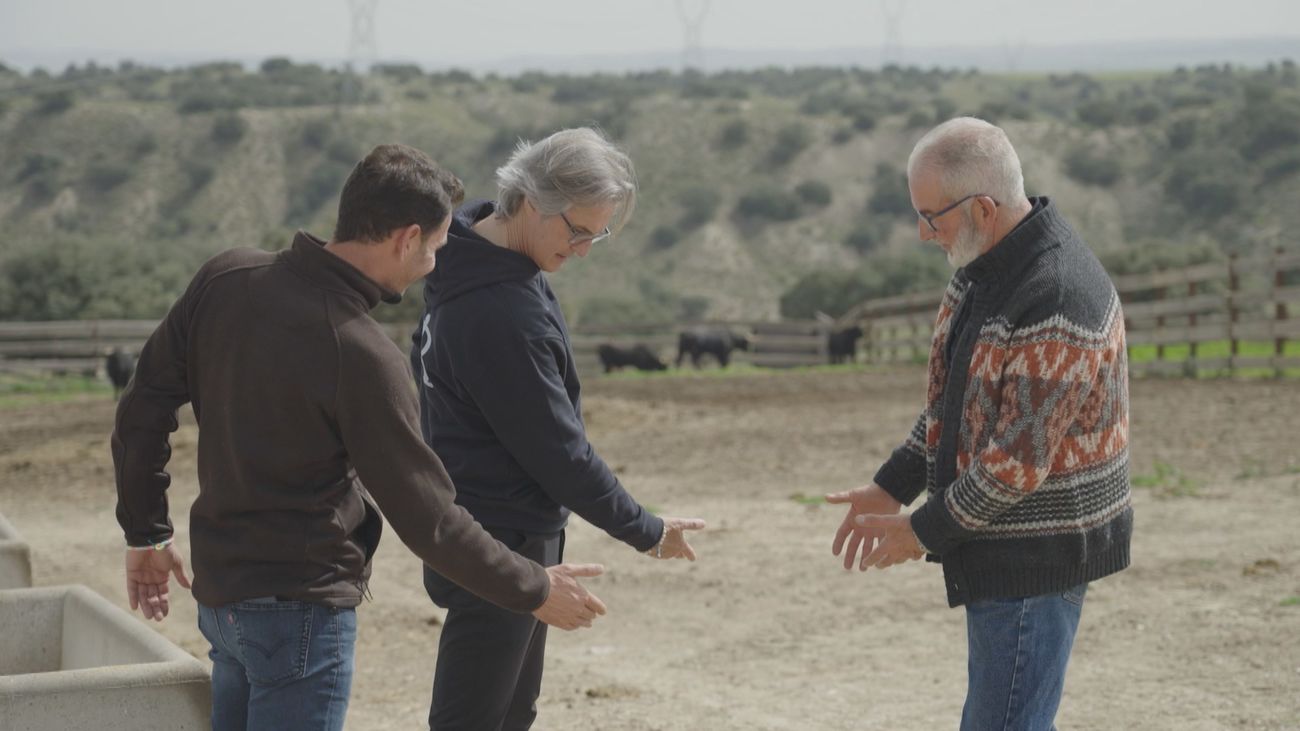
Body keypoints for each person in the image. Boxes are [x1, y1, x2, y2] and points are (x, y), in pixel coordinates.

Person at [112, 144, 608, 731]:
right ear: (405, 239)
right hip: (301, 612)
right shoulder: (362, 352)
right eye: (435, 247)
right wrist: (532, 586)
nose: (433, 264)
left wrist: (146, 532)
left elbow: (141, 410)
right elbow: (430, 518)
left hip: (221, 601)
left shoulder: (226, 276)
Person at [826, 117, 1132, 731]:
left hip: (1037, 553)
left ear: (984, 208)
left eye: (931, 217)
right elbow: (951, 406)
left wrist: (921, 531)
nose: (922, 233)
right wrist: (892, 484)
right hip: (1002, 544)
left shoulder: (1057, 292)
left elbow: (1016, 462)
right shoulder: (982, 270)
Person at [410, 127, 706, 731]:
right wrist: (646, 529)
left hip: (479, 522)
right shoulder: (501, 311)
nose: (585, 250)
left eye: (597, 234)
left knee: (509, 713)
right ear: (528, 201)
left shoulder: (473, 258)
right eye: (577, 231)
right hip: (499, 537)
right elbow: (560, 452)